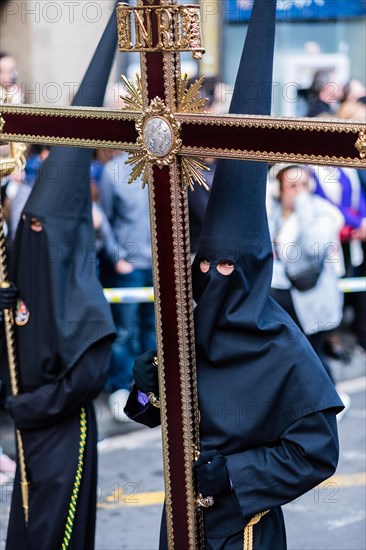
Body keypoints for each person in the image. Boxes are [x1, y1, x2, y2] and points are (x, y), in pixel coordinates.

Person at [125, 1, 344, 548]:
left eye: (228, 266)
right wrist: (149, 386)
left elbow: (316, 451)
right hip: (178, 524)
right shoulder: (190, 330)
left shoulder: (283, 348)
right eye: (205, 264)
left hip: (243, 529)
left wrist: (234, 475)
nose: (214, 275)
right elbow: (149, 416)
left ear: (252, 268)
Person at [3, 10, 118, 550]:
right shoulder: (26, 272)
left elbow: (84, 380)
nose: (34, 234)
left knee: (55, 534)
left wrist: (32, 406)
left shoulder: (85, 302)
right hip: (28, 431)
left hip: (61, 434)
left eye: (41, 228)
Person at [266, 163, 345, 382]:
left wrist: (303, 205)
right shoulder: (272, 212)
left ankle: (331, 405)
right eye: (292, 186)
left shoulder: (321, 211)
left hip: (308, 298)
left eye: (303, 184)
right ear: (279, 188)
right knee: (288, 358)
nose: (299, 190)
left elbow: (314, 246)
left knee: (312, 357)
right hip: (278, 294)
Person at [99, 149, 156, 422]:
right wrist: (117, 257)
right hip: (129, 266)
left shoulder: (162, 161)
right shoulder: (113, 171)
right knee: (125, 330)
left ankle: (153, 390)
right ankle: (122, 387)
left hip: (159, 265)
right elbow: (105, 219)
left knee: (155, 330)